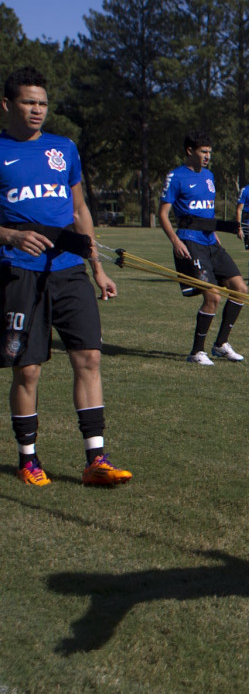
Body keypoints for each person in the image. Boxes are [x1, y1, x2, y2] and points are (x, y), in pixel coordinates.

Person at [0, 66, 130, 486]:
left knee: (89, 357)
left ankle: (96, 459)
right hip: (19, 272)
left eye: (42, 103)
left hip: (69, 270)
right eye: (28, 102)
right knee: (29, 369)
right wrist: (12, 235)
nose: (37, 110)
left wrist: (97, 268)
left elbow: (80, 211)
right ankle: (28, 459)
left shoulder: (64, 148)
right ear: (7, 104)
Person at [159, 130, 249, 366]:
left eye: (210, 152)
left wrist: (215, 233)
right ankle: (197, 352)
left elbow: (207, 211)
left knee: (240, 288)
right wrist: (175, 241)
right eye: (204, 151)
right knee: (213, 296)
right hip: (190, 241)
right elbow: (162, 214)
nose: (208, 156)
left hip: (211, 241)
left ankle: (220, 344)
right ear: (190, 151)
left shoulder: (209, 176)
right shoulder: (176, 176)